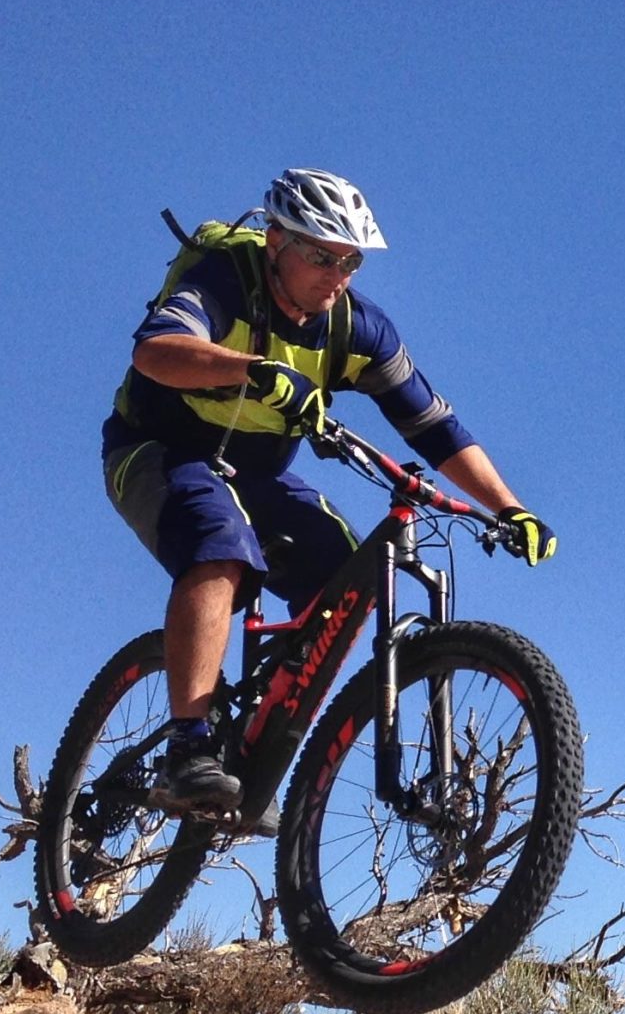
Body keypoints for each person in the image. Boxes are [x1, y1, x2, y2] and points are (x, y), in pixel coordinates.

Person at [102, 168, 553, 815]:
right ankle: (189, 747)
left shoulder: (359, 331)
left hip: (257, 472)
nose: (336, 274)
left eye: (351, 261)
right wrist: (256, 372)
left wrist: (510, 507)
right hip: (158, 448)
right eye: (320, 254)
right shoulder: (226, 278)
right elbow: (157, 352)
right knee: (219, 545)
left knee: (343, 584)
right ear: (275, 240)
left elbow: (434, 427)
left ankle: (254, 730)